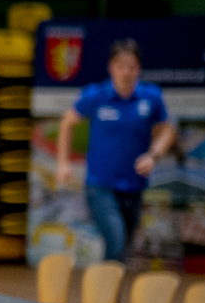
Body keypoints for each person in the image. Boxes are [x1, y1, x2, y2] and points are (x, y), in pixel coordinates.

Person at [56, 38, 176, 261]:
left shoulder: (151, 97)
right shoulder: (96, 95)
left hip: (134, 185)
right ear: (111, 67)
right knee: (116, 241)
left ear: (139, 69)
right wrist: (63, 163)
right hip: (100, 185)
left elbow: (167, 131)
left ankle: (107, 283)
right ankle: (104, 285)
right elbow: (67, 123)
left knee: (123, 249)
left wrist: (153, 155)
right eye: (121, 66)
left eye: (132, 67)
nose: (126, 73)